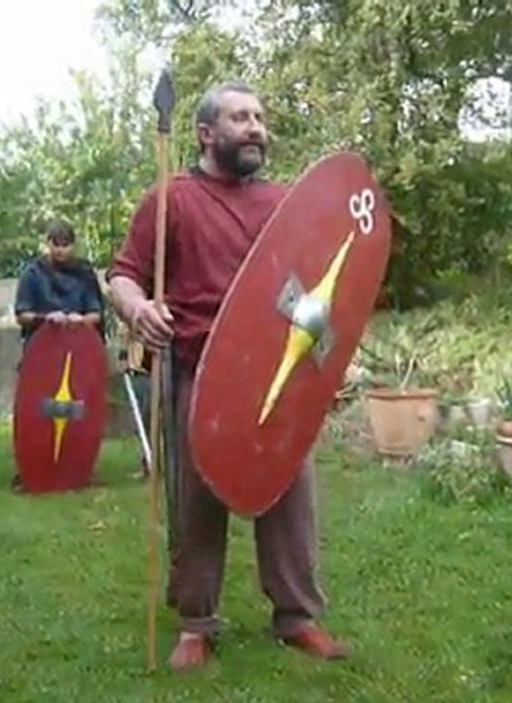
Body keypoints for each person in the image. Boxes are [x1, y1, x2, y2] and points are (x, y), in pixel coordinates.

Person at [106, 81, 348, 671]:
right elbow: (123, 274)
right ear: (205, 134)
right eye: (241, 118)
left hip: (276, 370)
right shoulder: (172, 200)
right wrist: (138, 310)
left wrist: (327, 360)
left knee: (289, 495)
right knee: (198, 500)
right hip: (200, 365)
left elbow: (318, 288)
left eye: (259, 117)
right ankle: (197, 622)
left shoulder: (286, 205)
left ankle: (297, 616)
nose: (256, 127)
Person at [11, 220, 105, 490]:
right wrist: (45, 318)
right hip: (42, 355)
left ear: (73, 245)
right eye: (56, 244)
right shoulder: (33, 273)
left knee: (78, 411)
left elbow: (96, 314)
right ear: (48, 243)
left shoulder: (84, 273)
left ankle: (79, 468)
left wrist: (80, 320)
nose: (60, 250)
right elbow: (22, 314)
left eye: (65, 245)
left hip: (78, 354)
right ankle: (31, 468)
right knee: (37, 411)